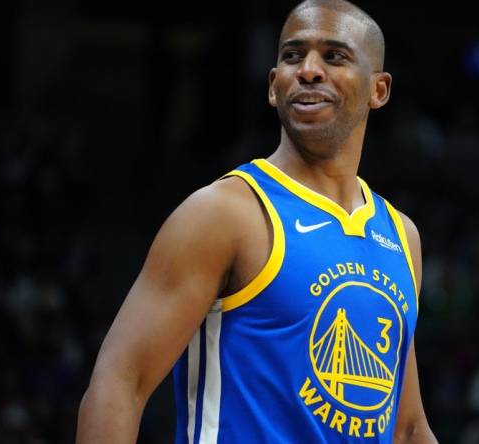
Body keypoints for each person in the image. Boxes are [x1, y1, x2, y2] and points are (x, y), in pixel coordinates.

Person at [76, 1, 436, 442]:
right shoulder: (225, 212)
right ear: (272, 86)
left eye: (334, 56)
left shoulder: (402, 237)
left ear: (378, 90)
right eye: (292, 55)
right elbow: (119, 382)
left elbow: (407, 428)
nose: (308, 70)